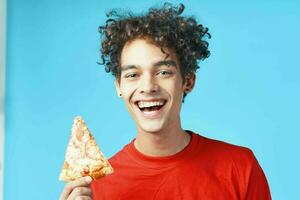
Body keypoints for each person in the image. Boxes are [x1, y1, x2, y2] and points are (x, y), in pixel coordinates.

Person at [60, 3, 271, 200]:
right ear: (119, 87)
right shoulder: (96, 188)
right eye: (133, 75)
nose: (148, 86)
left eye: (163, 72)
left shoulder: (239, 167)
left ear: (187, 81)